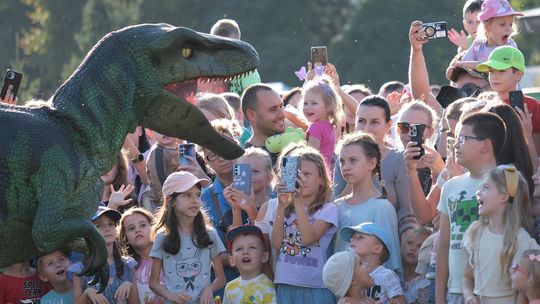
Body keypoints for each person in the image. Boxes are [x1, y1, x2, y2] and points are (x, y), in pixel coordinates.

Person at [435, 112, 505, 304]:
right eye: (456, 138)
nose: (456, 145)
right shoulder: (450, 187)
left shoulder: (507, 183)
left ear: (486, 145)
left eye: (463, 138)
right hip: (456, 291)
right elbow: (443, 246)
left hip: (496, 293)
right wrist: (440, 298)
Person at [270, 146, 338, 304]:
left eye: (307, 174)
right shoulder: (284, 208)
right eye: (297, 174)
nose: (302, 180)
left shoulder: (328, 209)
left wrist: (298, 202)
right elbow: (276, 244)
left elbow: (308, 239)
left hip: (316, 287)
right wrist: (281, 206)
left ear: (322, 179)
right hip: (286, 284)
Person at [462, 165, 539, 303]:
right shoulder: (475, 233)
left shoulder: (522, 241)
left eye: (485, 187)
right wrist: (469, 297)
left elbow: (524, 291)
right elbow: (467, 277)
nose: (478, 192)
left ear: (503, 196)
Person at [150, 171, 226, 304]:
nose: (195, 201)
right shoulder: (162, 237)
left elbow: (221, 279)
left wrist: (210, 288)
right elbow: (153, 283)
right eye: (187, 195)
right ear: (170, 201)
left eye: (198, 195)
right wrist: (170, 296)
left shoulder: (210, 234)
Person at [333, 131, 402, 274]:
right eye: (342, 161)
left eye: (353, 160)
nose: (345, 167)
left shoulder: (381, 207)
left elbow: (390, 261)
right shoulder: (336, 206)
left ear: (372, 163)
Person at [354, 96, 414, 231]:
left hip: (387, 238)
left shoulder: (399, 159)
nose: (366, 128)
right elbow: (337, 203)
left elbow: (406, 210)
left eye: (375, 122)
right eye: (361, 121)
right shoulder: (343, 158)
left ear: (388, 125)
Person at [408, 21, 490, 118]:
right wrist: (416, 50)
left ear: (491, 84)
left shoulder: (502, 113)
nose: (465, 97)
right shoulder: (451, 117)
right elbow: (422, 97)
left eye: (471, 89)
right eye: (460, 92)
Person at [476, 45, 540, 154]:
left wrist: (525, 133)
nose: (495, 76)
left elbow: (537, 155)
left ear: (518, 75)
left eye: (501, 71)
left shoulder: (533, 106)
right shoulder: (483, 107)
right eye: (491, 71)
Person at [73, 206, 136, 303]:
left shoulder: (128, 264)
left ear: (116, 230)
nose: (107, 228)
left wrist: (130, 286)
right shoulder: (79, 270)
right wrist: (87, 293)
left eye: (110, 224)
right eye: (98, 225)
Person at [340, 222, 407, 304]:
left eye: (360, 237)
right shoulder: (350, 273)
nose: (351, 239)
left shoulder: (387, 275)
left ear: (377, 248)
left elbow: (400, 301)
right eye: (352, 237)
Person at [456, 0, 522, 69]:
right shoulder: (478, 45)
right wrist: (456, 67)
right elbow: (465, 62)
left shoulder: (509, 46)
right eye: (502, 24)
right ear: (487, 27)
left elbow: (496, 66)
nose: (508, 29)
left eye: (510, 24)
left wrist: (464, 64)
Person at [118, 207, 164, 304]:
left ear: (153, 227)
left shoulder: (170, 255)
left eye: (143, 225)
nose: (137, 230)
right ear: (125, 236)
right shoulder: (127, 267)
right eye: (131, 228)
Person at [222, 225, 276, 304]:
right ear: (231, 260)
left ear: (264, 256)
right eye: (239, 249)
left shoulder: (267, 286)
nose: (245, 252)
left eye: (252, 247)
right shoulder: (230, 287)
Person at [301, 77, 342, 170]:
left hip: (318, 173)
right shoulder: (331, 126)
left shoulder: (315, 128)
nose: (308, 107)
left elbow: (311, 156)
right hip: (329, 172)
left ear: (328, 106)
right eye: (305, 103)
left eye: (314, 103)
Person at [241, 84, 286, 165]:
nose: (282, 114)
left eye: (281, 106)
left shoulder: (291, 148)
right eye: (273, 109)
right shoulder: (245, 161)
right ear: (251, 115)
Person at [399, 226, 431, 304]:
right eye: (410, 243)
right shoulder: (395, 274)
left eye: (420, 246)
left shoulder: (426, 284)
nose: (412, 248)